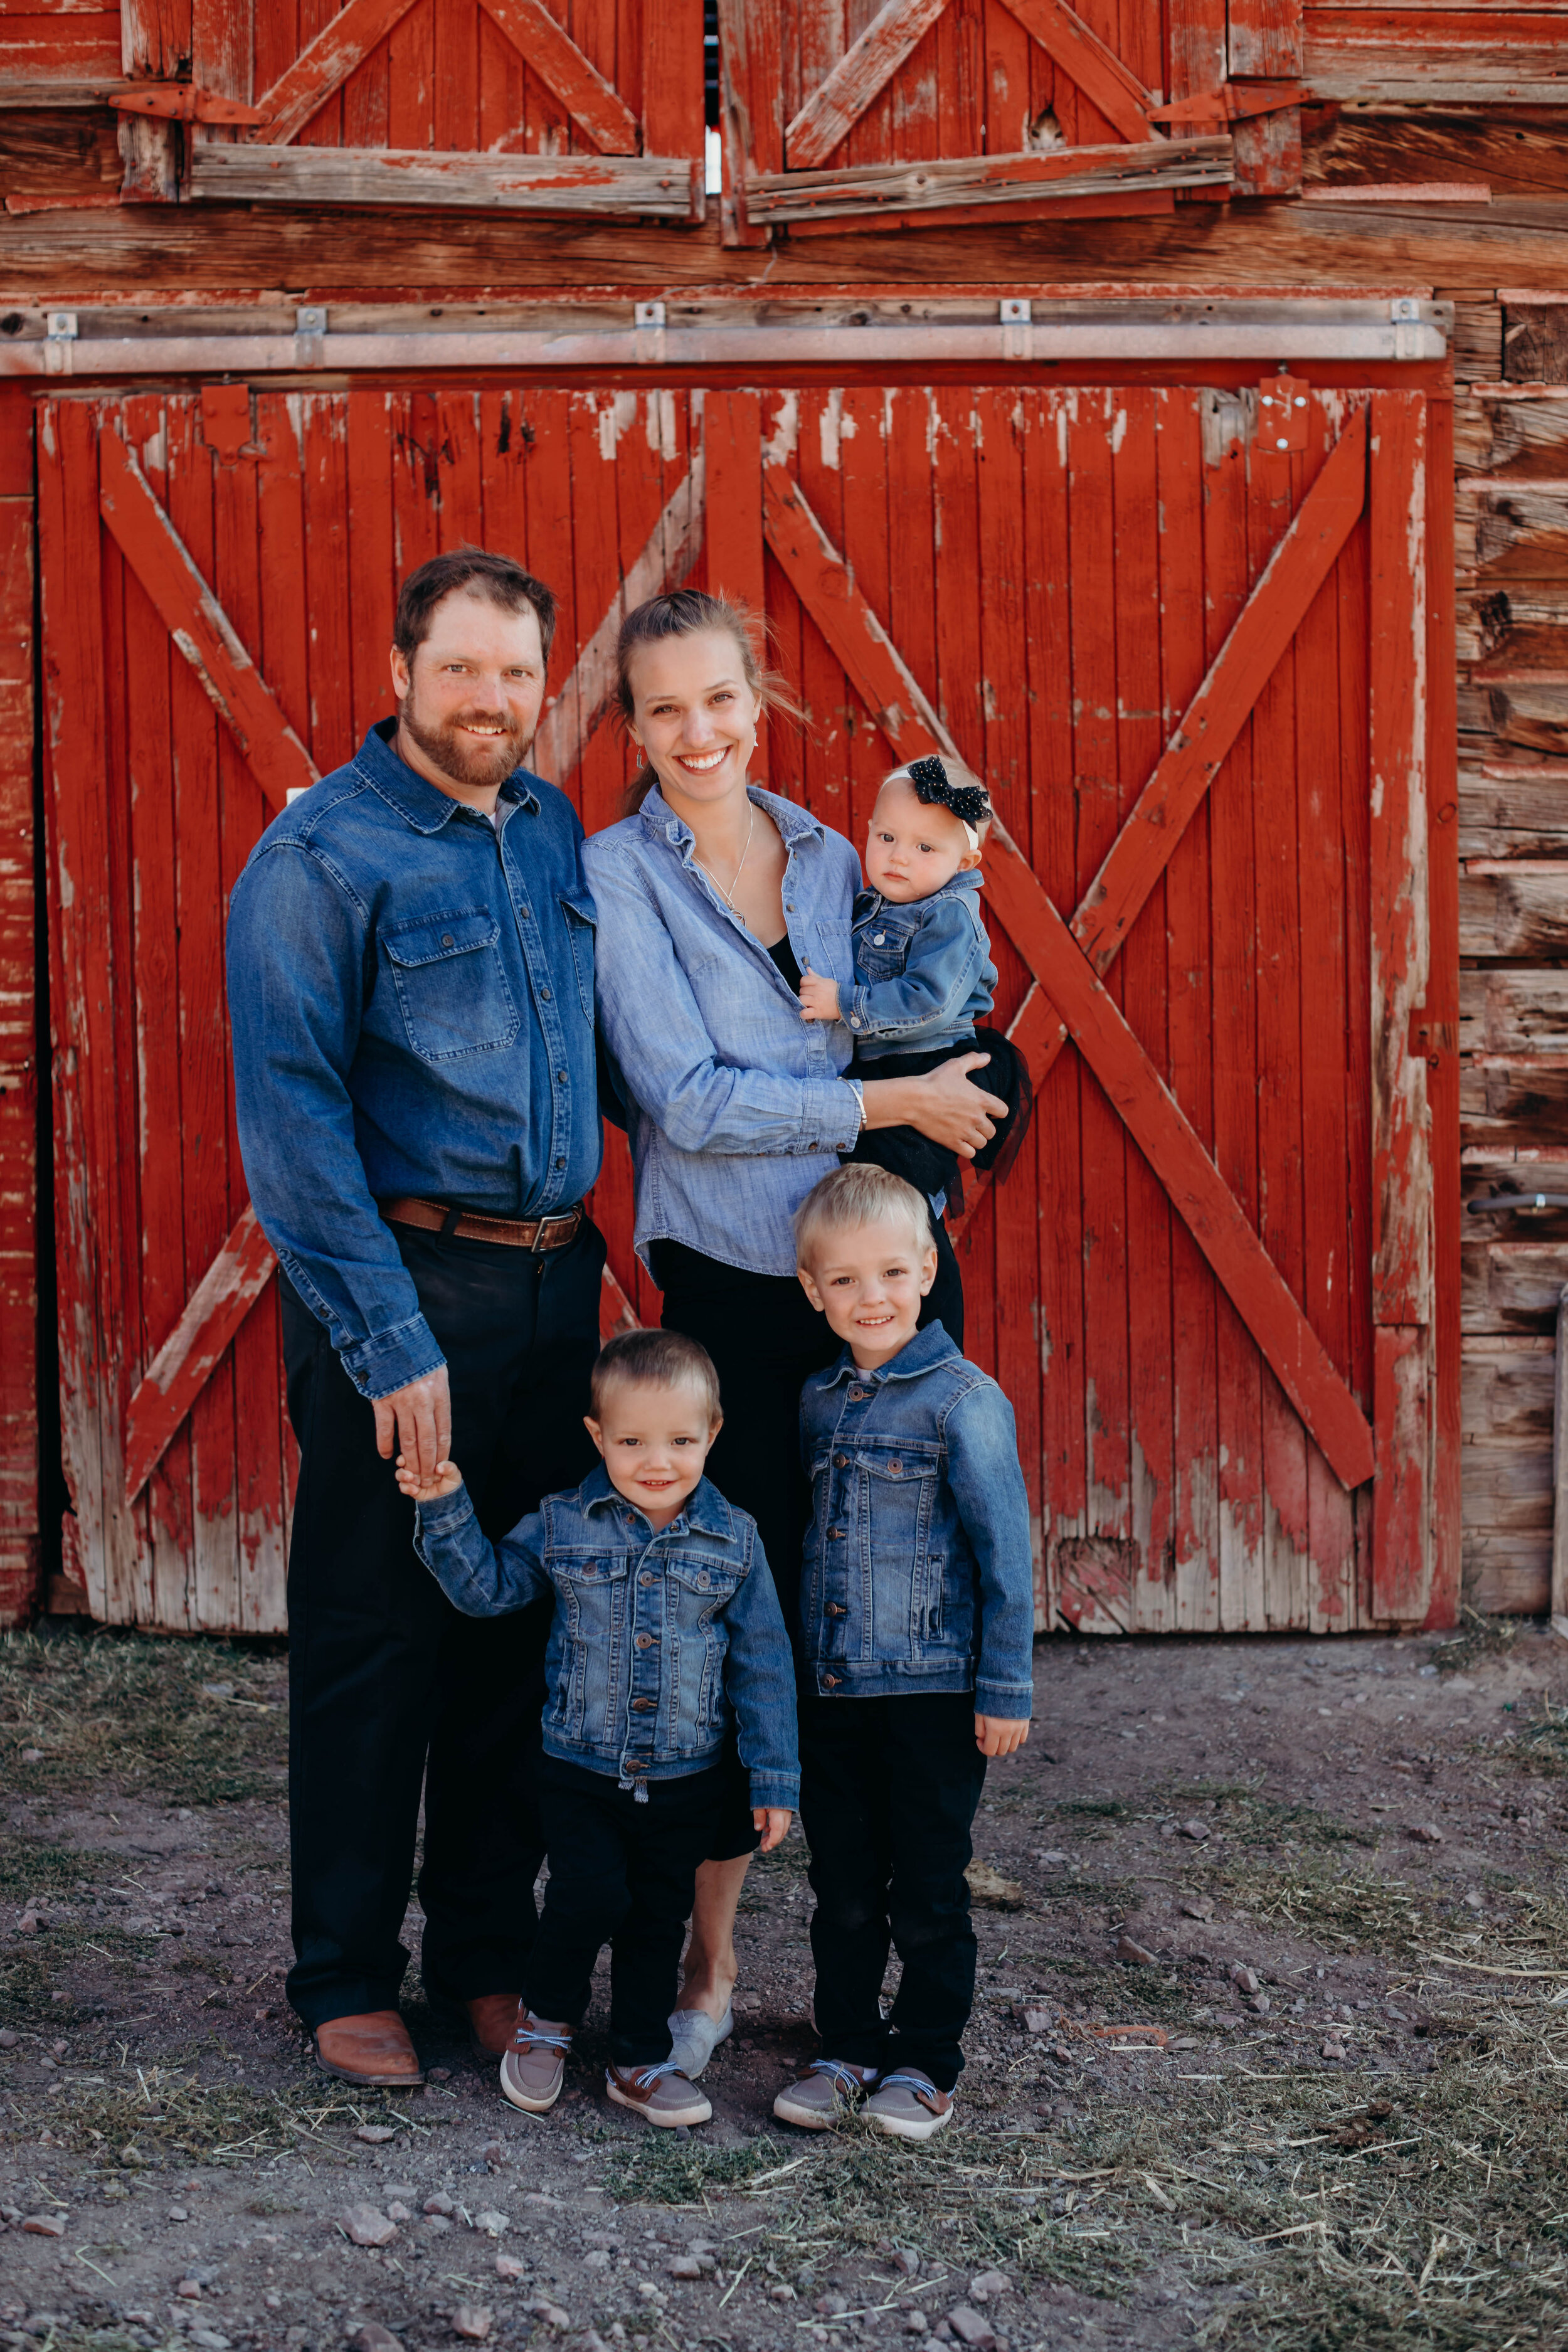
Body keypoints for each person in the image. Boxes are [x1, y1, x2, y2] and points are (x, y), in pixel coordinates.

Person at [581, 590, 1010, 2077]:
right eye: (664, 708)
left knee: (893, 1598)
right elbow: (684, 1097)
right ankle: (706, 1949)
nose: (700, 732)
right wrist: (895, 1103)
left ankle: (895, 1953)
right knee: (733, 1599)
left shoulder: (839, 853)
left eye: (721, 699)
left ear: (758, 699)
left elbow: (941, 1011)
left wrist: (969, 1087)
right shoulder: (615, 875)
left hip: (880, 1284)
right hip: (736, 1297)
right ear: (628, 728)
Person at [226, 549, 605, 2090]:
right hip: (401, 1284)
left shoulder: (550, 826)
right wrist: (392, 1345)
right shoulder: (319, 860)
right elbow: (294, 1121)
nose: (492, 701)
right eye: (462, 669)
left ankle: (484, 1959)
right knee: (379, 1639)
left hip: (554, 1280)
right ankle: (340, 1969)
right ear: (399, 671)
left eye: (516, 672)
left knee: (514, 1629)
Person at [395, 1330, 798, 2129]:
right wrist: (442, 1503)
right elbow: (487, 1590)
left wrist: (774, 1779)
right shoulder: (563, 1523)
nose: (659, 1460)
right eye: (633, 1440)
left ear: (713, 1433)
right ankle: (544, 2023)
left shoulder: (734, 1540)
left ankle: (639, 2058)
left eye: (682, 1440)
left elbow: (763, 1667)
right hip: (580, 1768)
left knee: (656, 1917)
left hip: (688, 1772)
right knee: (588, 1895)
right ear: (597, 1437)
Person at [772, 1164, 1035, 2141]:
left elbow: (1005, 1550)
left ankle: (924, 2060)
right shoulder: (815, 1400)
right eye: (843, 1280)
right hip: (838, 1688)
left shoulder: (964, 1402)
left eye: (890, 1272)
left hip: (933, 1690)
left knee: (926, 1883)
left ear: (928, 1270)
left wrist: (1005, 1685)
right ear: (813, 1290)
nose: (869, 1297)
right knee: (841, 1883)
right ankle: (843, 2045)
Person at [798, 752, 1032, 1350]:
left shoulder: (950, 914)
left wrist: (845, 1004)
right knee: (871, 1202)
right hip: (884, 1068)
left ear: (967, 861)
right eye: (887, 837)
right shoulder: (876, 899)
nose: (899, 856)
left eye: (926, 848)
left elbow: (927, 1002)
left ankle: (927, 1320)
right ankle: (868, 1309)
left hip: (924, 1061)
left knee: (901, 1203)